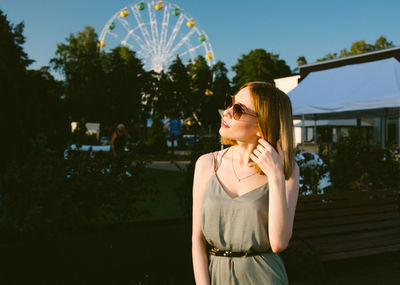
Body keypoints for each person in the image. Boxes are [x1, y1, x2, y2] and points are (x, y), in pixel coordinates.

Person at [192, 82, 300, 284]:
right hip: (217, 275)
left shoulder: (288, 170)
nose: (227, 112)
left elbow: (278, 243)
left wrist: (275, 177)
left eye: (239, 110)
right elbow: (197, 240)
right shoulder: (207, 163)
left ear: (262, 125)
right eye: (230, 102)